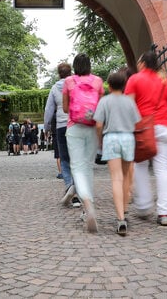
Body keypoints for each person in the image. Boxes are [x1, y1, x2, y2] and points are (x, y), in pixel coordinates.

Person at [124, 51, 167, 226]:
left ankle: (143, 205)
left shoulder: (134, 80)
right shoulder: (165, 82)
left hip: (144, 129)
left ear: (142, 63)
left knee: (140, 166)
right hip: (164, 129)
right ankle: (164, 212)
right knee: (162, 169)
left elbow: (129, 107)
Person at [93, 70, 140, 235]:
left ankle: (120, 218)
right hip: (128, 138)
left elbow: (98, 125)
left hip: (111, 138)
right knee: (127, 177)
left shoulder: (104, 101)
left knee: (116, 178)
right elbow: (137, 122)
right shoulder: (129, 102)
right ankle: (125, 210)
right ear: (124, 85)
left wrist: (99, 140)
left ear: (109, 85)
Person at [62, 53, 105, 233]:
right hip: (92, 127)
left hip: (74, 127)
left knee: (77, 167)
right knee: (88, 167)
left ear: (74, 66)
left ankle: (87, 204)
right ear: (89, 65)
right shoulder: (98, 81)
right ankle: (89, 207)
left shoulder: (69, 81)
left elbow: (65, 108)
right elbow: (101, 107)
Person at [45, 62, 78, 206]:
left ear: (59, 74)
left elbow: (49, 109)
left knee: (64, 159)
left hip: (60, 126)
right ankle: (77, 192)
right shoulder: (76, 84)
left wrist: (46, 126)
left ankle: (69, 186)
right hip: (76, 124)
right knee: (76, 160)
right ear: (70, 72)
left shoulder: (54, 88)